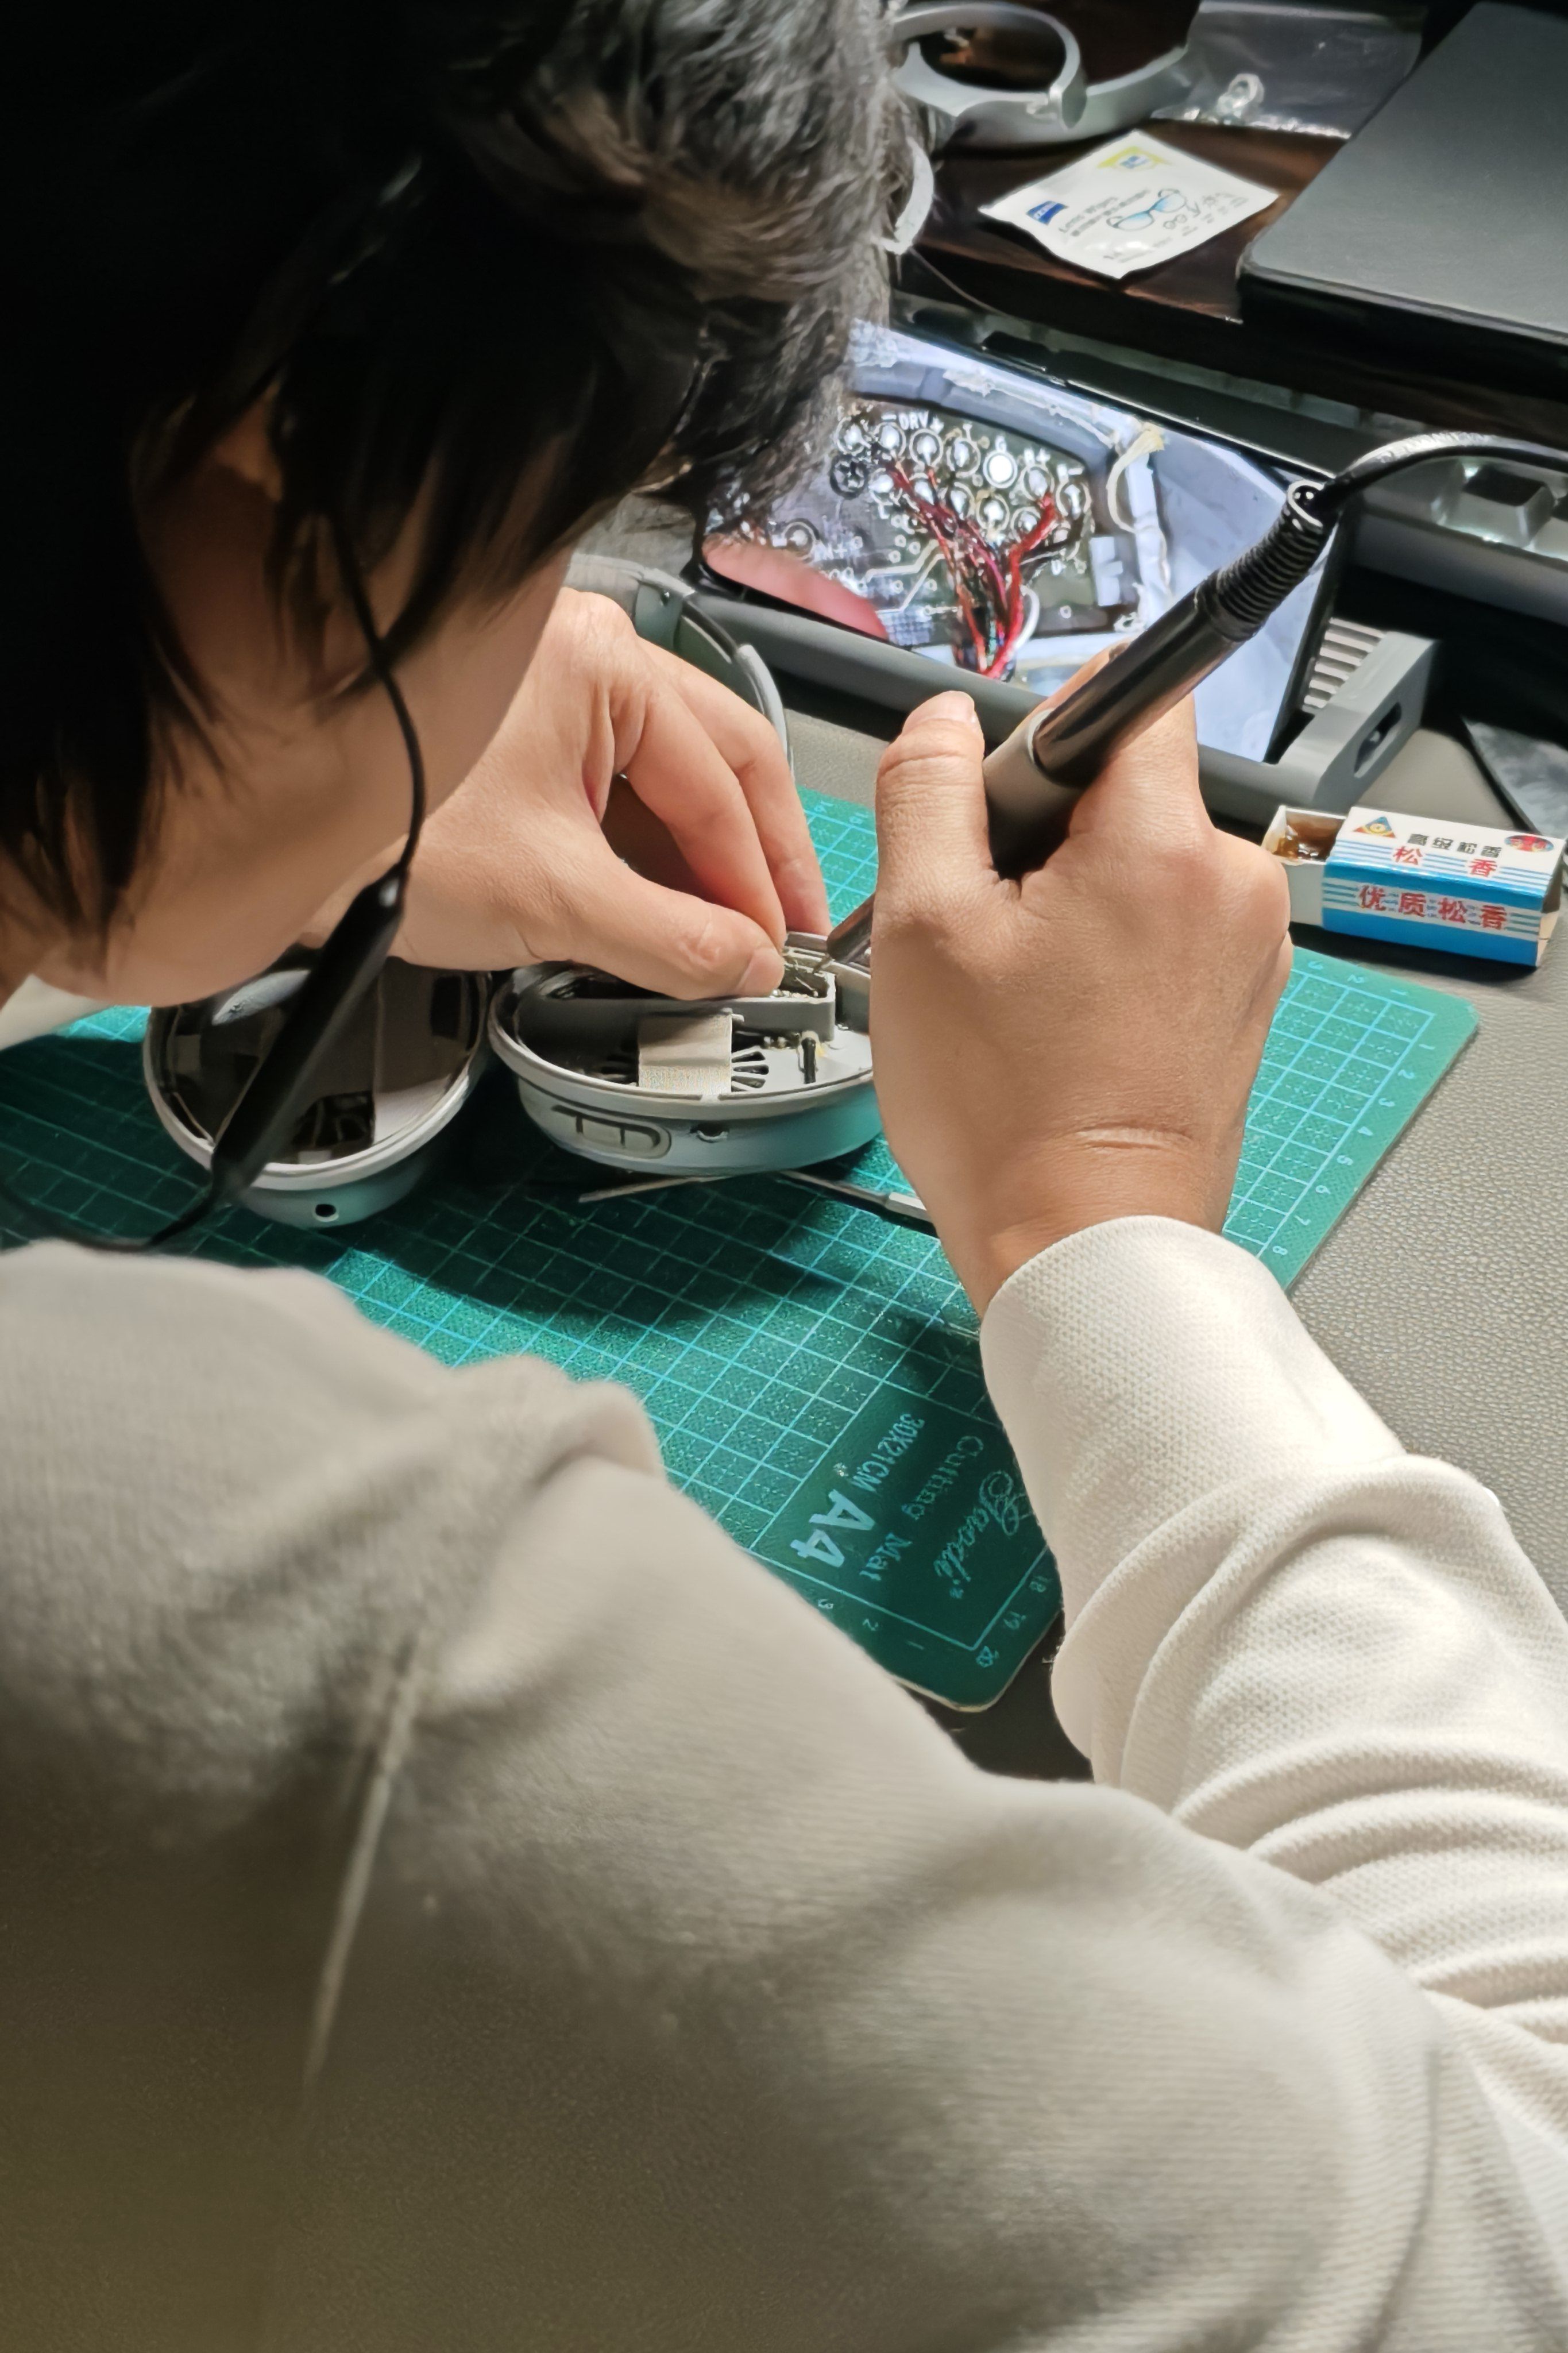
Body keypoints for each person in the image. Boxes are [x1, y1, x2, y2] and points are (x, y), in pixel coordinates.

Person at [2, 6, 1566, 2348]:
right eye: (551, 536)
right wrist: (1101, 1212)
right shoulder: (264, 1629)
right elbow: (1512, 2236)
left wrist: (216, 762)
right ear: (285, 473)